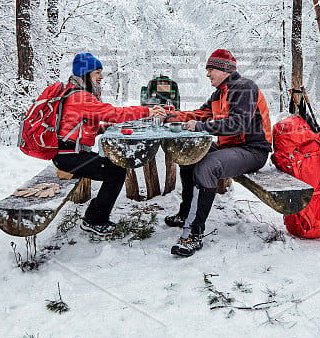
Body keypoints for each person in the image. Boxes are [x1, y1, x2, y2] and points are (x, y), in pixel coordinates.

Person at [164, 49, 272, 257]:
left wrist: (201, 128)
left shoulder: (244, 88)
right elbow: (199, 114)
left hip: (253, 151)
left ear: (224, 70)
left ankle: (193, 233)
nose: (207, 74)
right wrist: (171, 115)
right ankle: (185, 213)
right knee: (189, 157)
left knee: (207, 167)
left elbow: (238, 124)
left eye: (210, 69)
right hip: (230, 147)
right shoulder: (219, 94)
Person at [53, 52, 166, 237]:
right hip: (69, 158)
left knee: (114, 168)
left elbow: (75, 126)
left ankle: (94, 215)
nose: (101, 77)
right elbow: (113, 112)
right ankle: (93, 220)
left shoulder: (75, 93)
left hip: (68, 154)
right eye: (97, 72)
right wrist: (147, 111)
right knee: (116, 172)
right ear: (86, 73)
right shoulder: (80, 97)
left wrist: (101, 129)